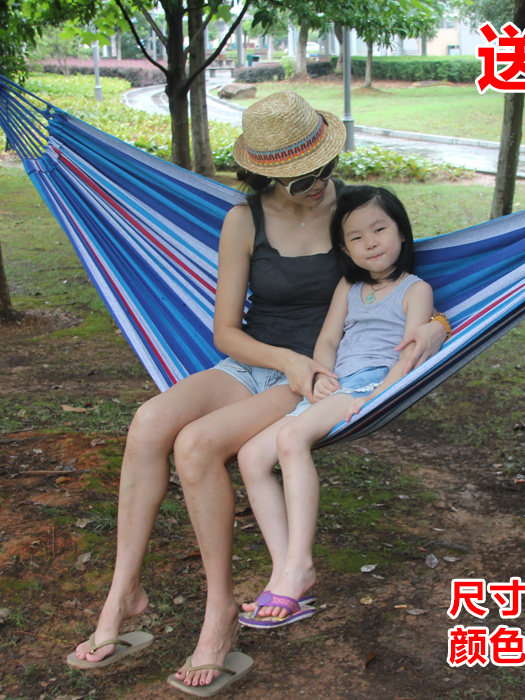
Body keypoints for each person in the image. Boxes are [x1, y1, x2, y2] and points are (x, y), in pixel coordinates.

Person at [67, 92, 448, 694]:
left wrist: (438, 326)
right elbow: (225, 331)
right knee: (149, 421)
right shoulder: (244, 220)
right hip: (258, 364)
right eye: (300, 180)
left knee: (195, 447)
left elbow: (404, 281)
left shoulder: (353, 210)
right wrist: (284, 360)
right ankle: (124, 593)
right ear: (267, 174)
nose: (317, 185)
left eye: (323, 169)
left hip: (319, 378)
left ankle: (219, 613)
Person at [236, 186, 433, 628]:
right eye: (356, 237)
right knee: (250, 456)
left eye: (380, 229)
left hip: (371, 385)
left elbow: (410, 354)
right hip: (337, 383)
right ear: (344, 249)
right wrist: (320, 375)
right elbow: (327, 338)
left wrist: (379, 397)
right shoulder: (349, 286)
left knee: (291, 437)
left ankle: (300, 566)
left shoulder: (415, 289)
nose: (371, 243)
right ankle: (284, 570)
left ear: (402, 232)